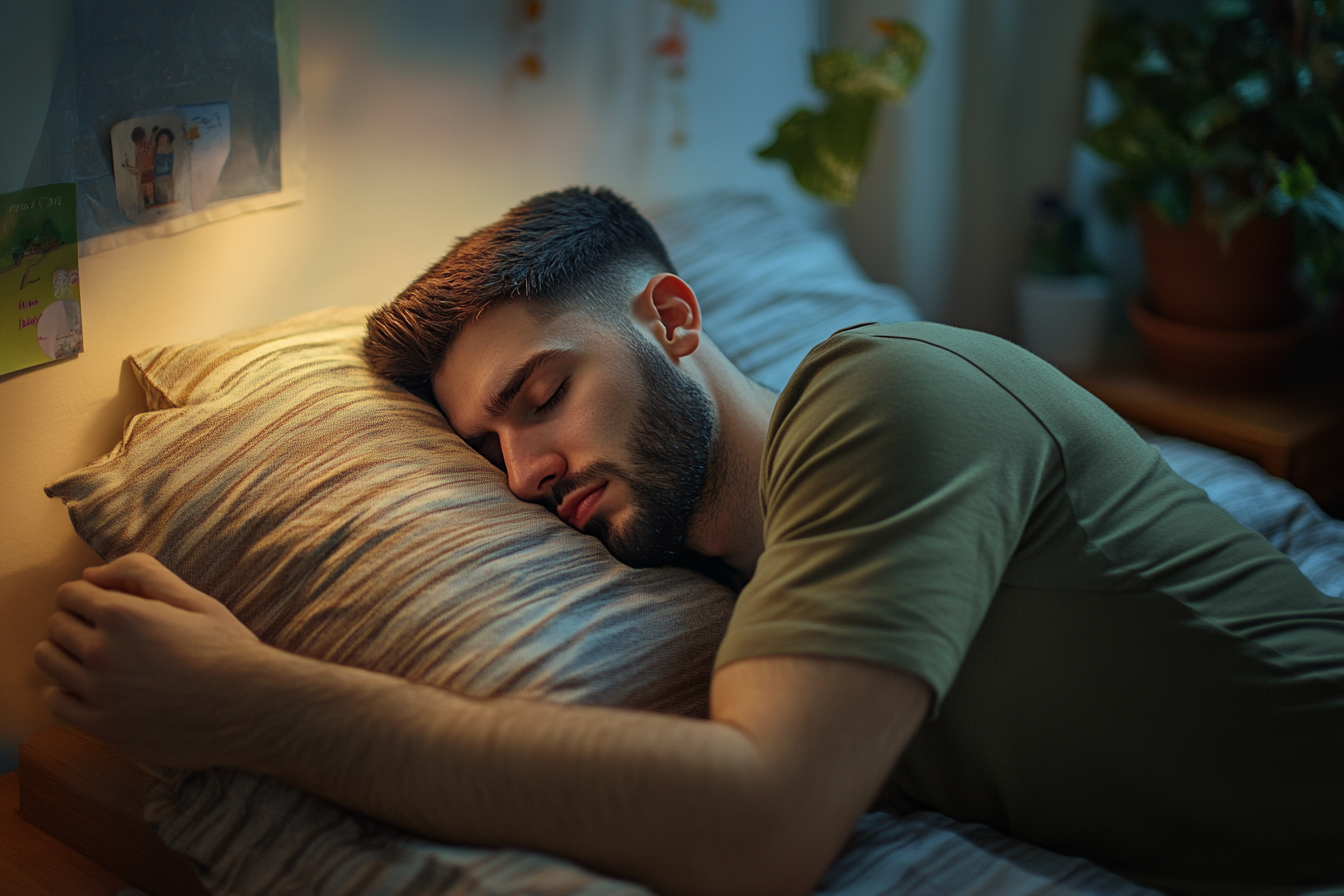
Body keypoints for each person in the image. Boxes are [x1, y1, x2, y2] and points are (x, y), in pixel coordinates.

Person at [35, 188, 1344, 896]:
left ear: (670, 314)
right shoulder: (740, 594)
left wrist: (257, 706)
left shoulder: (887, 392)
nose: (526, 473)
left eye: (540, 398)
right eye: (489, 449)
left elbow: (757, 827)